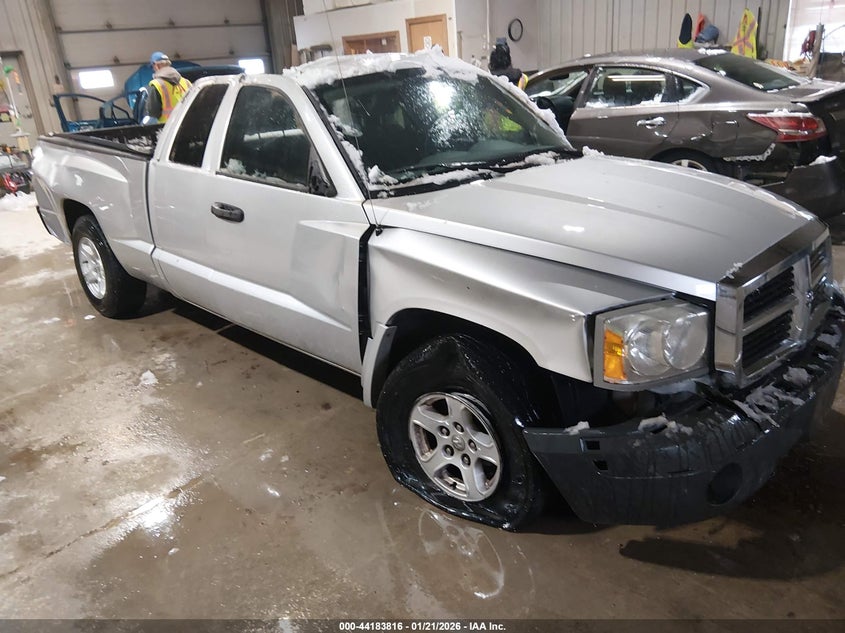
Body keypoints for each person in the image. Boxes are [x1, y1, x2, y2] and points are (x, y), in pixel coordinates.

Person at [147, 51, 192, 123]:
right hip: (187, 124)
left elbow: (153, 112)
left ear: (156, 66)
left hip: (166, 129)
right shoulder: (186, 82)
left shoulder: (156, 84)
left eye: (153, 67)